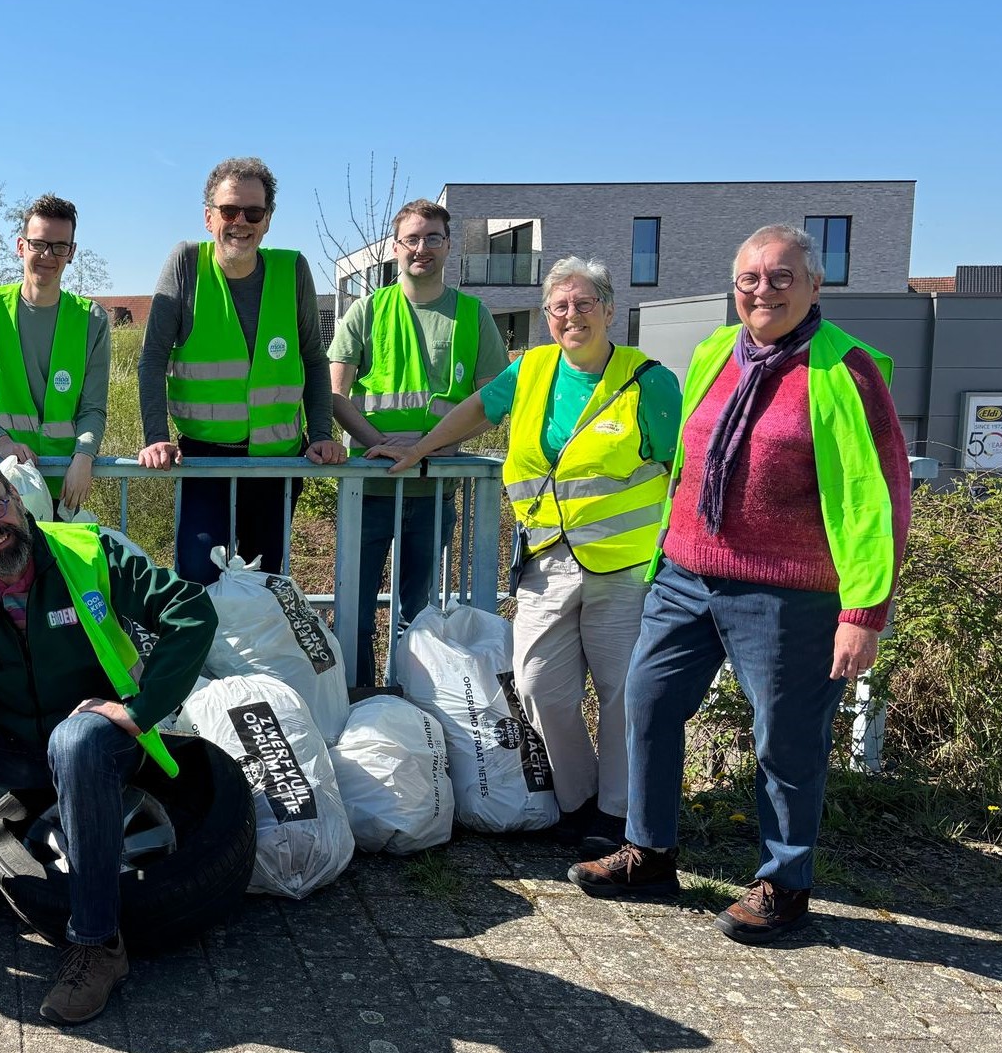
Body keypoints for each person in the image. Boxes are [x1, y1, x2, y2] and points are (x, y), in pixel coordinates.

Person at [567, 225, 912, 945]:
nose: (763, 290)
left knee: (784, 742)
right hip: (686, 575)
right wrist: (666, 552)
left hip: (789, 592)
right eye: (749, 278)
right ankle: (648, 854)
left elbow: (878, 496)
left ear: (815, 286)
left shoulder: (845, 369)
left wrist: (864, 610)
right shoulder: (709, 354)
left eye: (781, 277)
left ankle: (784, 884)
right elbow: (689, 466)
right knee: (647, 702)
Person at [0, 459, 215, 1026]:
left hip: (101, 743)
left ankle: (98, 945)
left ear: (20, 502)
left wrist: (142, 709)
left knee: (77, 741)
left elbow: (190, 611)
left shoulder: (88, 551)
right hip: (10, 742)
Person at [372, 256, 681, 848]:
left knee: (622, 691)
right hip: (546, 559)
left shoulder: (649, 382)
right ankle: (578, 797)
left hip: (625, 568)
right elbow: (478, 410)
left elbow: (685, 473)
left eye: (584, 304)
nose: (572, 317)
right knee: (539, 684)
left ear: (610, 310)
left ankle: (617, 816)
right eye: (559, 307)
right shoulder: (533, 369)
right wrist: (421, 448)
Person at [137, 157, 345, 585]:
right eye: (230, 211)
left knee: (263, 583)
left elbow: (312, 359)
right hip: (203, 461)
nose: (241, 222)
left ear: (268, 220)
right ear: (208, 216)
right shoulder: (186, 264)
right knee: (198, 579)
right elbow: (152, 357)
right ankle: (205, 654)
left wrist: (322, 434)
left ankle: (254, 655)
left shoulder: (292, 270)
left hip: (277, 463)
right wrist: (156, 436)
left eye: (254, 212)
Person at [328, 198, 509, 685]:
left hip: (434, 491)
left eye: (432, 237)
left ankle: (417, 710)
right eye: (412, 238)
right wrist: (379, 445)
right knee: (354, 614)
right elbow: (332, 395)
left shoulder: (474, 316)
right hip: (368, 490)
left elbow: (497, 401)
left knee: (422, 617)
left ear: (448, 246)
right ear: (395, 247)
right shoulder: (366, 311)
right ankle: (358, 703)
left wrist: (426, 449)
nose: (421, 248)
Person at [0, 194, 111, 514]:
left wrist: (84, 456)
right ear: (21, 246)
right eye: (39, 243)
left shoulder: (92, 319)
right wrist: (4, 445)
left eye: (59, 246)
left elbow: (93, 409)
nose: (47, 255)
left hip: (59, 483)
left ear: (71, 253)